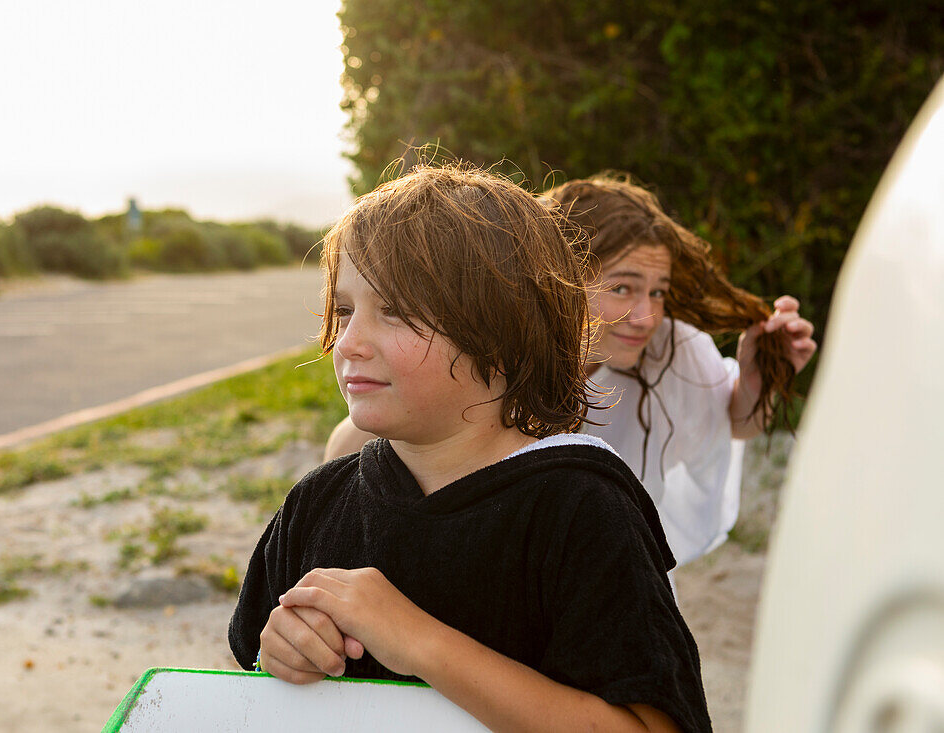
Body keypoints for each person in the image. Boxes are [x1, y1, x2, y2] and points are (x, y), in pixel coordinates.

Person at [229, 165, 711, 732]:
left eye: (397, 312)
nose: (350, 343)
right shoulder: (318, 502)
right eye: (343, 311)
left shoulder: (579, 508)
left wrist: (418, 642)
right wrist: (280, 656)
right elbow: (249, 691)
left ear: (503, 331)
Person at [324, 173, 817, 571]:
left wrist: (757, 382)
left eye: (659, 292)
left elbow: (726, 422)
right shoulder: (492, 359)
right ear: (560, 280)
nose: (646, 315)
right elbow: (362, 452)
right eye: (623, 288)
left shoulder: (673, 351)